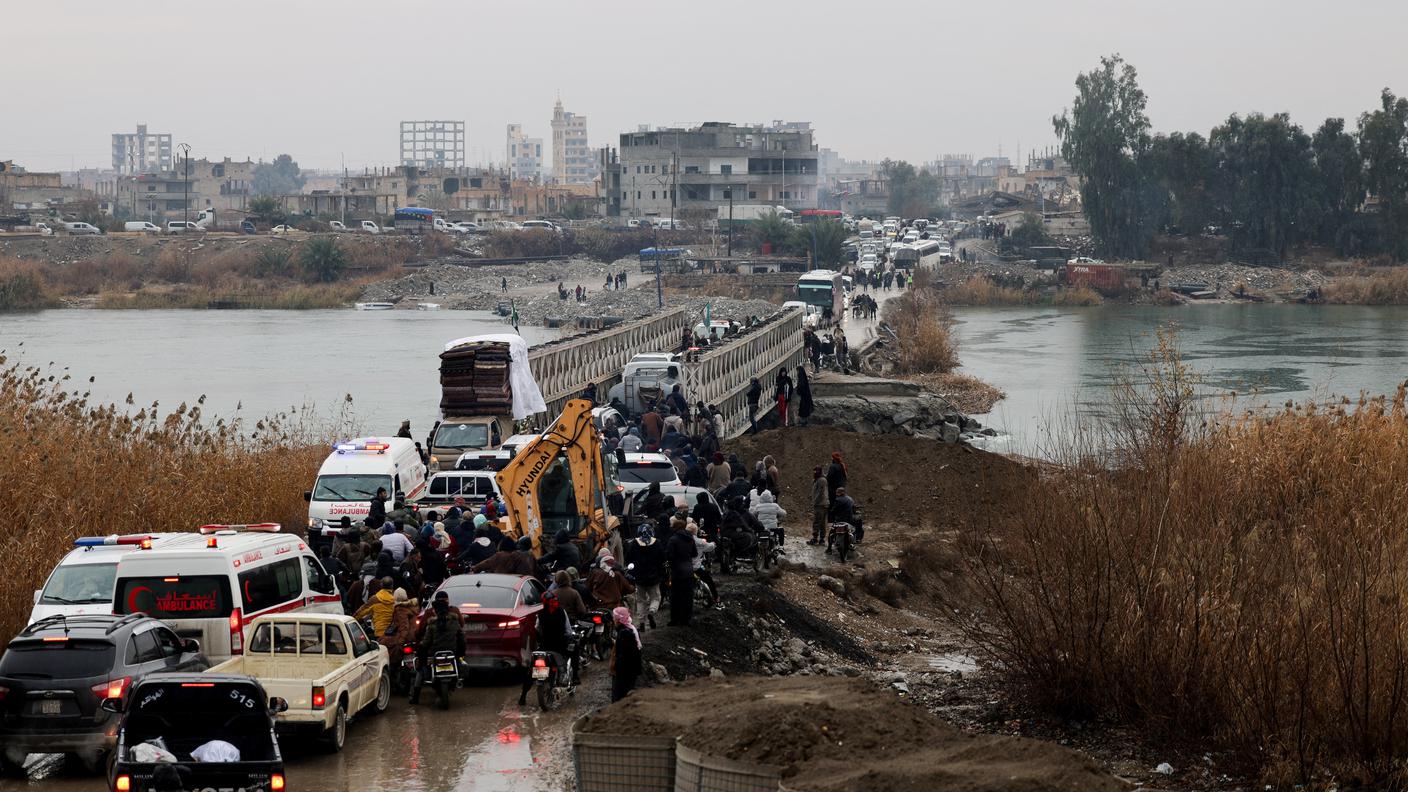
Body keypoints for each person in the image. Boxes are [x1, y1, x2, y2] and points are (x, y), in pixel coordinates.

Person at [518, 589, 579, 705]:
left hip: (545, 646)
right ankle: (575, 676)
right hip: (560, 646)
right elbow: (568, 630)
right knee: (575, 649)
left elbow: (537, 629)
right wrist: (569, 638)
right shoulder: (561, 611)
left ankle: (523, 696)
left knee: (532, 670)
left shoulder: (540, 614)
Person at [409, 591, 465, 706]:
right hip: (453, 651)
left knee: (420, 667)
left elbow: (424, 640)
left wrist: (420, 649)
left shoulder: (430, 619)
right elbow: (461, 636)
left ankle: (415, 696)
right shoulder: (454, 616)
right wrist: (461, 651)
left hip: (433, 652)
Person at [626, 526, 666, 629]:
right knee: (656, 598)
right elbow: (663, 558)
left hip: (639, 577)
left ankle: (641, 622)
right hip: (654, 577)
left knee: (640, 600)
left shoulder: (634, 543)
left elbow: (628, 558)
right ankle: (651, 611)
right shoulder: (657, 543)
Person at [665, 522, 698, 626]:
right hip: (689, 571)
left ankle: (675, 619)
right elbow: (695, 553)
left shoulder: (673, 539)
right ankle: (686, 620)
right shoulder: (690, 538)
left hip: (677, 571)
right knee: (688, 597)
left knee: (675, 596)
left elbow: (669, 555)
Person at [609, 606, 642, 702]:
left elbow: (623, 655)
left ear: (619, 620)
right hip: (631, 670)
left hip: (625, 671)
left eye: (614, 618)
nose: (613, 620)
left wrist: (615, 667)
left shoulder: (624, 634)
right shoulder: (631, 629)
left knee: (620, 695)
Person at [381, 588, 419, 656]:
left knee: (382, 644)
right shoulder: (412, 606)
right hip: (414, 634)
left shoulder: (400, 610)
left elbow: (404, 626)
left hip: (406, 636)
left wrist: (401, 641)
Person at [827, 486, 860, 552]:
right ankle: (855, 541)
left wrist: (830, 515)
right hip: (849, 520)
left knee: (831, 533)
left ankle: (829, 548)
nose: (836, 494)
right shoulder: (850, 499)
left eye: (837, 493)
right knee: (855, 528)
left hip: (839, 520)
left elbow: (834, 510)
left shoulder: (838, 500)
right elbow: (853, 510)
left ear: (840, 493)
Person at [810, 466, 830, 545]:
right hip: (822, 504)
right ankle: (821, 539)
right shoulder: (819, 479)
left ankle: (816, 539)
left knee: (817, 522)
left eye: (816, 471)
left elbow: (820, 493)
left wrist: (815, 502)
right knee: (821, 523)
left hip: (820, 504)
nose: (814, 473)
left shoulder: (821, 480)